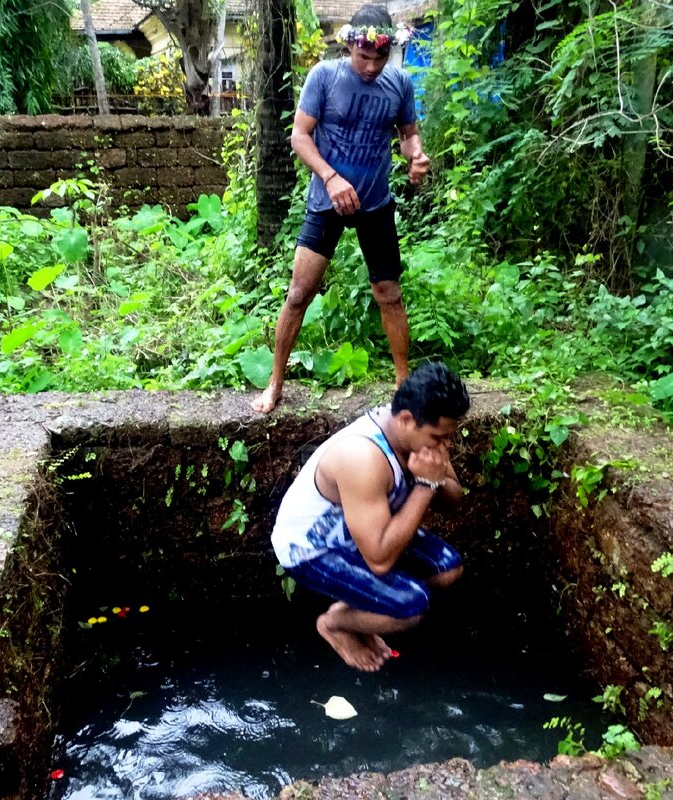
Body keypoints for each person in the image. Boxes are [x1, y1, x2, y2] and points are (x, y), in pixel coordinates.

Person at [252, 4, 430, 414]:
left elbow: (408, 135)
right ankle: (276, 381)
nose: (370, 66)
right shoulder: (324, 77)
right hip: (326, 201)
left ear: (390, 52)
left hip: (375, 202)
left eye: (379, 58)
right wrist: (331, 178)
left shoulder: (399, 83)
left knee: (389, 294)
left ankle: (403, 386)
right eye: (363, 56)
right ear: (349, 45)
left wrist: (416, 155)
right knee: (299, 293)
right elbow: (300, 137)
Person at [271, 362, 469, 671]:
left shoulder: (423, 439)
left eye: (448, 438)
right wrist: (426, 485)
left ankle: (367, 606)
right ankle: (336, 624)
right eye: (437, 438)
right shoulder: (362, 458)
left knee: (448, 569)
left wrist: (435, 477)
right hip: (313, 547)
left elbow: (454, 499)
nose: (444, 447)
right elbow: (379, 559)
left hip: (367, 530)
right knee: (410, 606)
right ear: (406, 419)